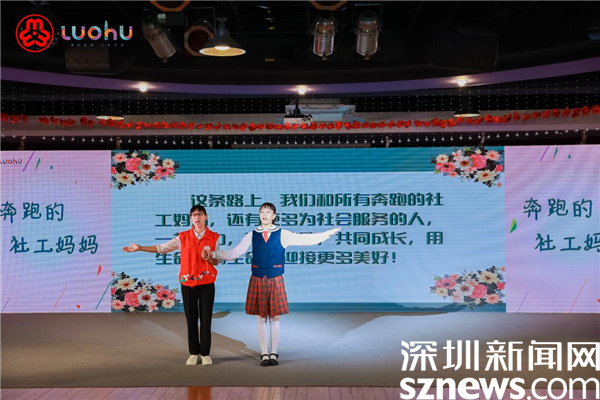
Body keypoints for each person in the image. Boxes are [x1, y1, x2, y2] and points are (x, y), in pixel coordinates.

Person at [203, 202, 339, 367]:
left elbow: (304, 239)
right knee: (260, 317)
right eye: (262, 212)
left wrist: (325, 235)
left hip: (275, 278)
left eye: (268, 212)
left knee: (274, 317)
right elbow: (235, 252)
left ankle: (273, 352)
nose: (265, 215)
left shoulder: (283, 234)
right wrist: (214, 254)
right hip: (258, 278)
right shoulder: (252, 234)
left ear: (274, 216)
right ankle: (264, 353)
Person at [123, 205, 220, 366]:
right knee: (191, 319)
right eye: (194, 215)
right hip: (187, 283)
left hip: (207, 283)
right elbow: (162, 248)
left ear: (206, 217)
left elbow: (216, 261)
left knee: (206, 319)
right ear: (191, 218)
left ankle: (205, 353)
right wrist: (140, 248)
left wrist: (208, 258)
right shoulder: (182, 237)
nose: (197, 217)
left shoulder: (214, 237)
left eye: (200, 214)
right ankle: (193, 352)